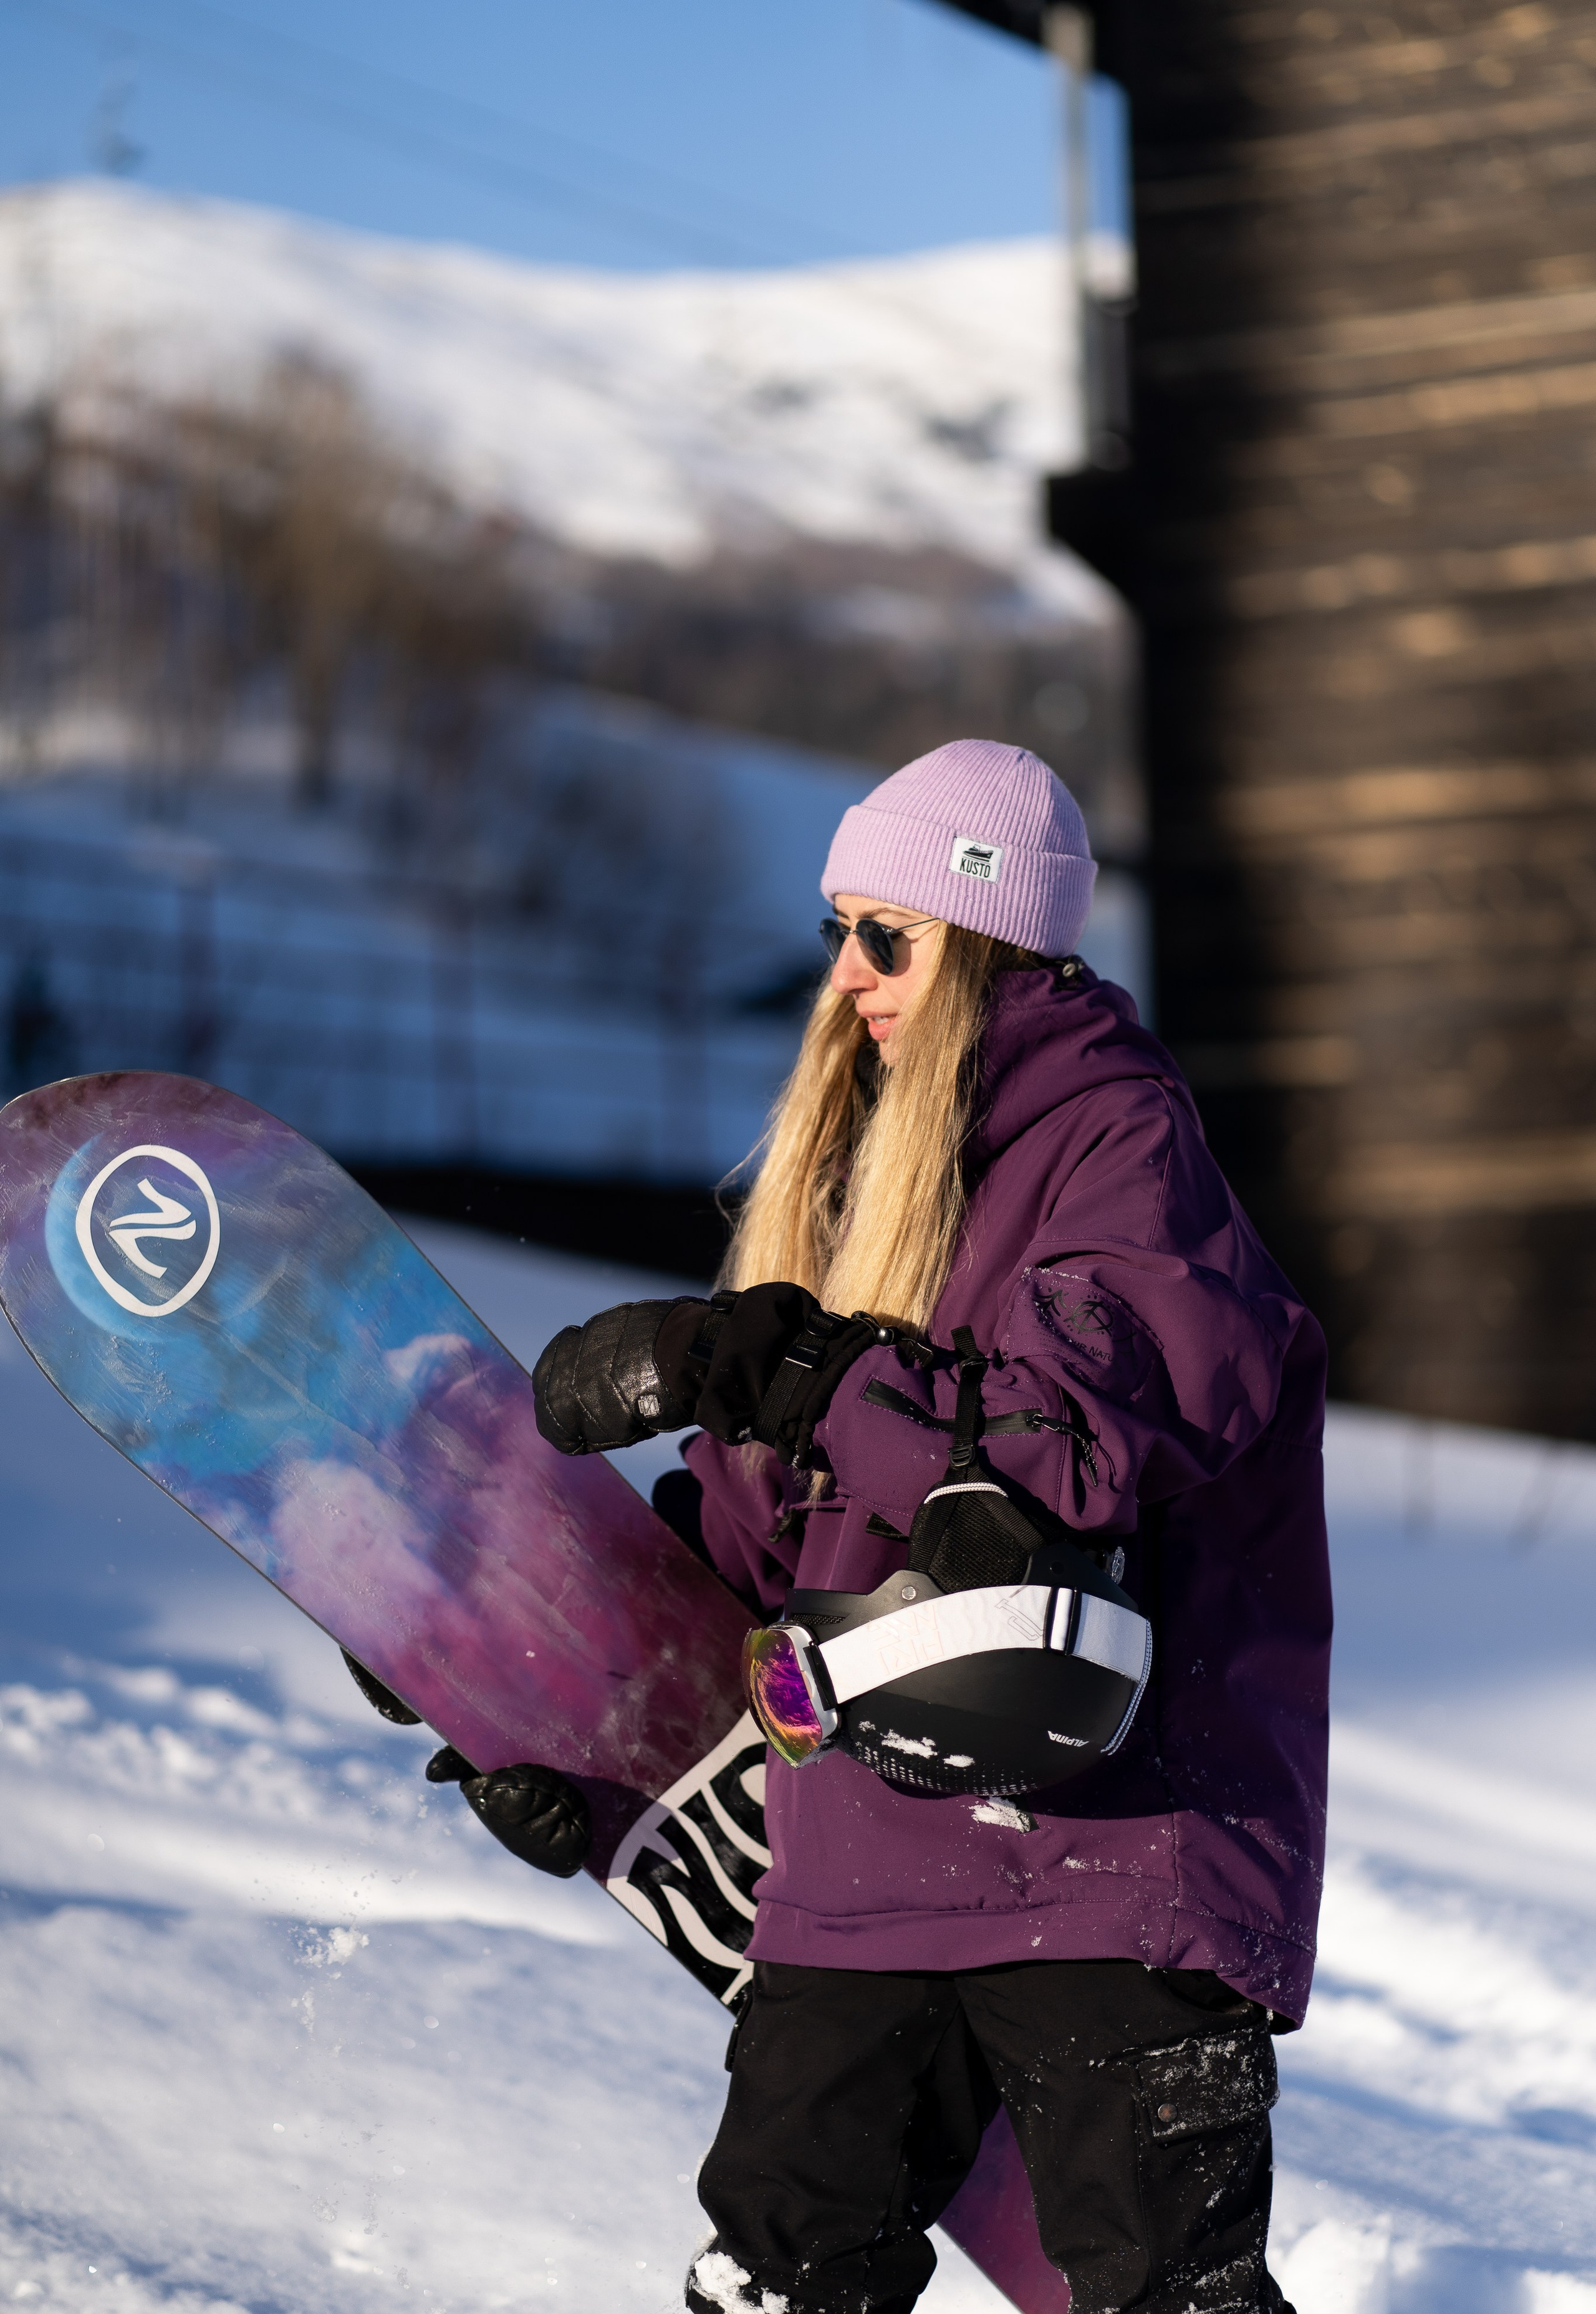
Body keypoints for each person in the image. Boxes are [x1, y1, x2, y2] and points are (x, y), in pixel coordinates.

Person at [406, 740, 1331, 2314]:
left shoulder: (1124, 1157)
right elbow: (761, 1548)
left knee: (1166, 2292)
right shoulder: (857, 1185)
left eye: (882, 935)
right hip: (853, 1871)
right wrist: (540, 1683)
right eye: (837, 931)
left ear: (982, 936)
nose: (845, 976)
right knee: (775, 2274)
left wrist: (784, 1360)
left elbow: (1061, 1448)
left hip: (1106, 1860)